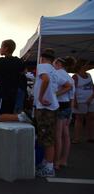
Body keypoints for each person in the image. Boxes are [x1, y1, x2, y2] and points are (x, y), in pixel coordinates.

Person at [33, 49, 72, 177]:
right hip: (53, 107)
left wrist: (40, 97)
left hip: (45, 109)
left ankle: (49, 167)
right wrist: (54, 95)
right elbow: (68, 85)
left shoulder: (42, 66)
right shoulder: (55, 71)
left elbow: (45, 80)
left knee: (47, 138)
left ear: (42, 58)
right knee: (48, 136)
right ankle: (46, 163)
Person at [52, 57, 75, 170]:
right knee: (66, 135)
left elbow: (66, 88)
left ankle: (56, 162)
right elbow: (72, 97)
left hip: (60, 106)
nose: (53, 65)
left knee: (58, 135)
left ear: (59, 63)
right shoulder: (70, 78)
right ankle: (64, 160)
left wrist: (55, 94)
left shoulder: (58, 74)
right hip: (67, 107)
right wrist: (71, 113)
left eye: (54, 63)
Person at [72, 59, 94, 143]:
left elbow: (92, 87)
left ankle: (91, 137)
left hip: (90, 100)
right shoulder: (75, 76)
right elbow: (73, 90)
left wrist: (91, 97)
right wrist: (75, 101)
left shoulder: (89, 75)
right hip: (80, 101)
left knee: (91, 118)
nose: (88, 66)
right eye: (86, 65)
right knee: (79, 119)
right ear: (81, 66)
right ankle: (77, 138)